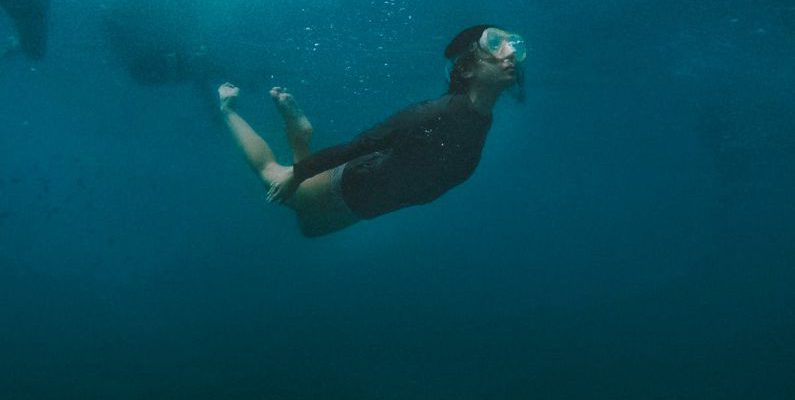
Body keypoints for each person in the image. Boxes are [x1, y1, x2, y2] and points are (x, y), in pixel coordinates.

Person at [219, 25, 527, 237]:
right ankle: (230, 110)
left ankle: (300, 137)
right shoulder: (436, 112)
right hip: (352, 188)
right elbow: (363, 143)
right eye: (494, 43)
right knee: (271, 175)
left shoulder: (479, 119)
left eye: (513, 44)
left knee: (309, 229)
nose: (510, 52)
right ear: (467, 67)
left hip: (367, 205)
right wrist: (296, 174)